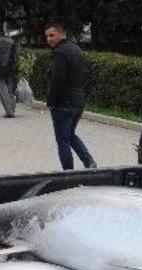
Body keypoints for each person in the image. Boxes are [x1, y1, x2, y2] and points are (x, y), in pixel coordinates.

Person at [45, 23, 96, 170]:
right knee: (70, 135)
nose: (49, 39)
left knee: (62, 140)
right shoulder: (76, 49)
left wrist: (51, 101)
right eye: (47, 36)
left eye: (52, 35)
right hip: (78, 102)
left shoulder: (60, 53)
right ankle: (89, 162)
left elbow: (57, 81)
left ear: (62, 34)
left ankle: (68, 173)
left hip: (63, 103)